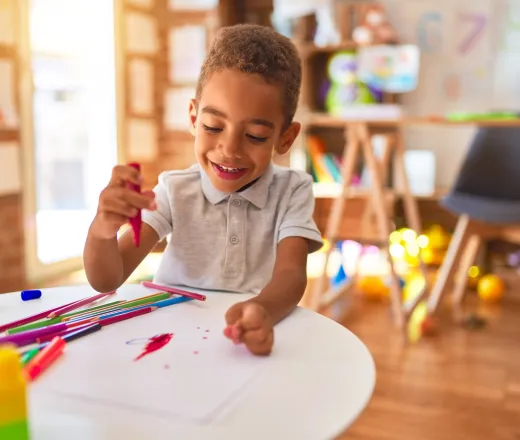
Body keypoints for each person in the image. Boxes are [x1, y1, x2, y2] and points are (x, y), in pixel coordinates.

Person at [83, 24, 323, 356]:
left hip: (241, 342)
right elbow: (107, 279)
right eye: (213, 127)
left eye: (254, 135)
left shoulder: (293, 190)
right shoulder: (173, 189)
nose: (229, 149)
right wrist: (102, 229)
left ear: (285, 137)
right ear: (194, 118)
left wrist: (263, 310)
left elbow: (292, 274)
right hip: (165, 346)